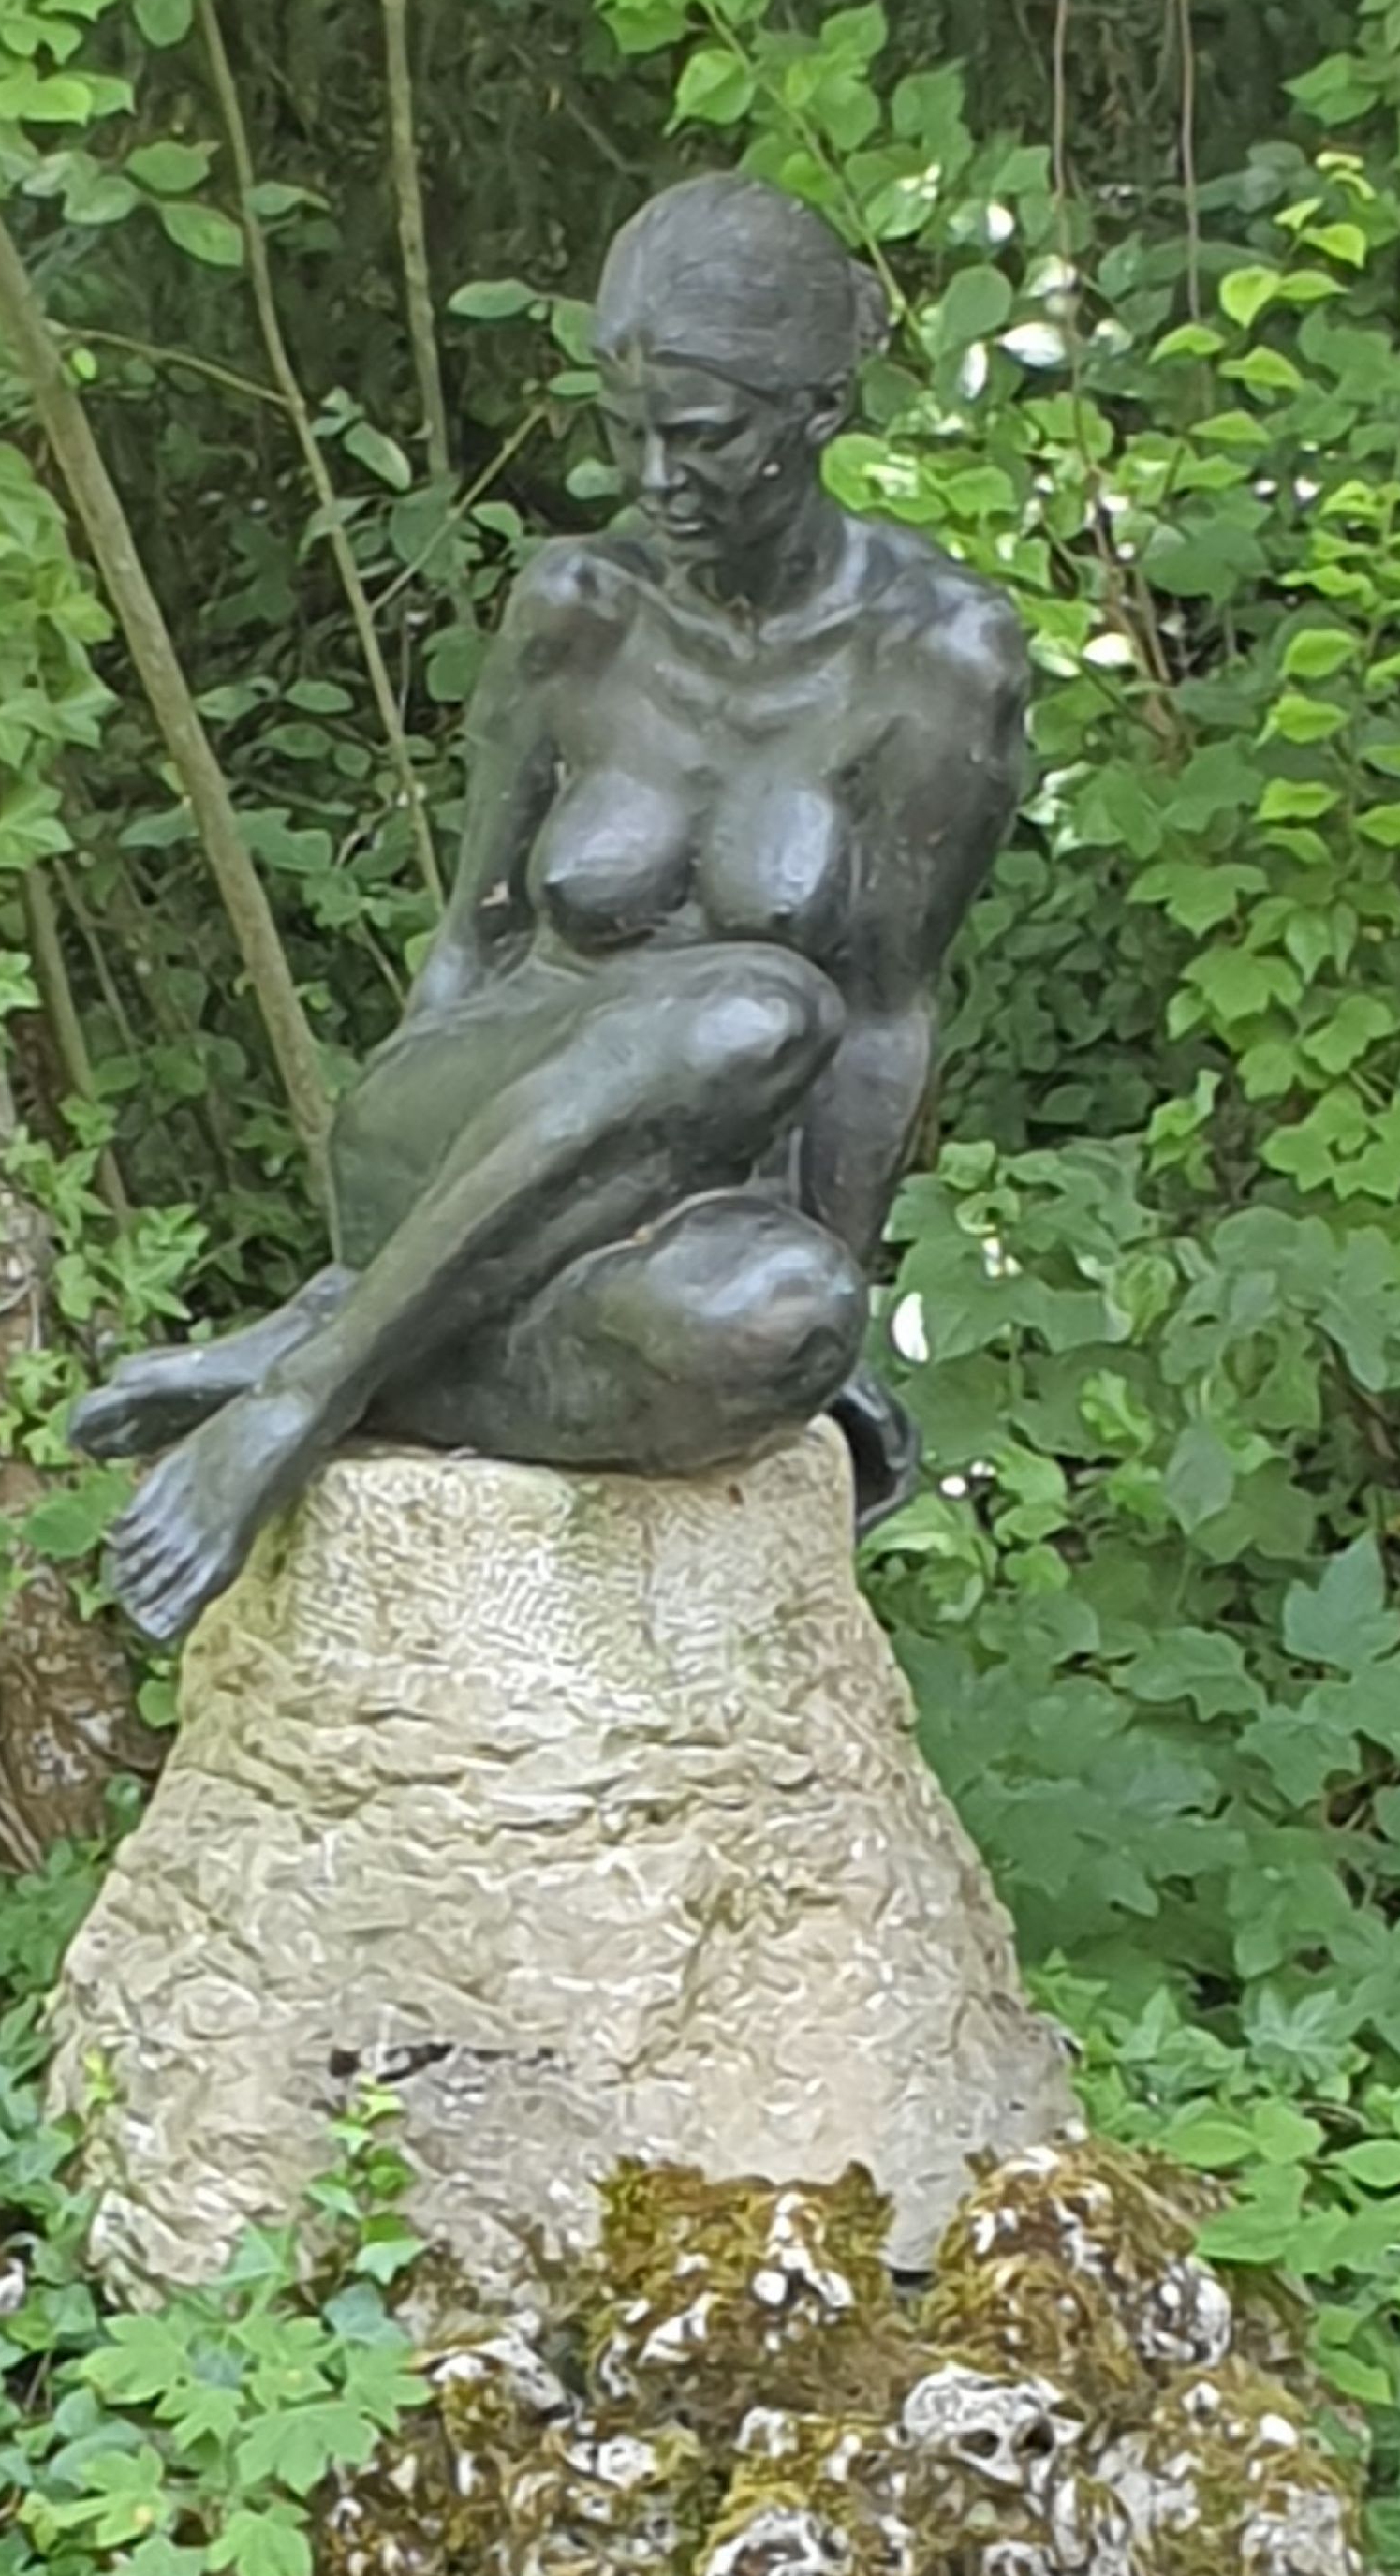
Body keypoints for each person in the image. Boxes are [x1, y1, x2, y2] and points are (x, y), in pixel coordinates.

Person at [75, 172, 1029, 1642]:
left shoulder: (942, 655)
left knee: (783, 1324)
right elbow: (473, 935)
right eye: (625, 430)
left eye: (700, 436)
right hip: (461, 1120)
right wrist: (373, 1213)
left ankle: (370, 1351)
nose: (654, 478)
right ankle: (298, 1397)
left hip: (676, 1207)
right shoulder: (580, 606)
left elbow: (890, 1015)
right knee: (761, 1003)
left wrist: (841, 1282)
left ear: (820, 412)